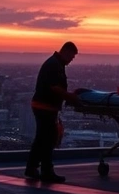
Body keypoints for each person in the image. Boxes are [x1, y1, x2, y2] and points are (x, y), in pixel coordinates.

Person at [25, 42, 81, 183]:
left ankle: (32, 168)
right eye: (72, 56)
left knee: (42, 139)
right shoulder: (54, 65)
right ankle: (46, 171)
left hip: (43, 106)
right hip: (45, 106)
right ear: (66, 52)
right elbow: (55, 87)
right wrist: (70, 97)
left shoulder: (55, 63)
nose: (71, 60)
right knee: (48, 139)